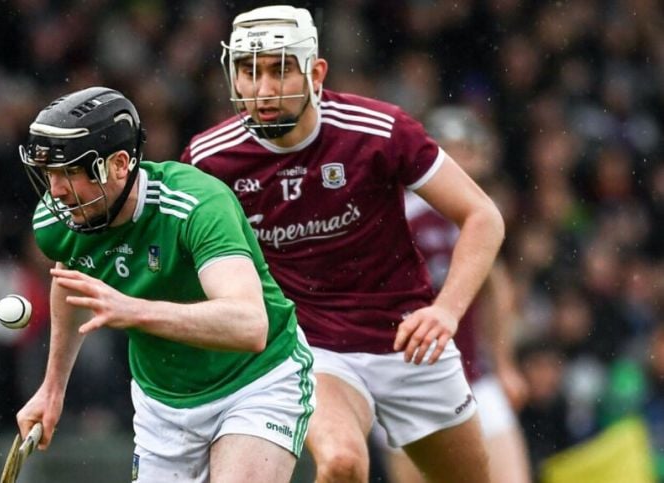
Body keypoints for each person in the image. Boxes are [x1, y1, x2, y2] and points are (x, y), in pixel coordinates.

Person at [181, 6, 504, 483]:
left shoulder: (379, 131)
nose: (263, 90)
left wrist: (447, 311)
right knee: (342, 463)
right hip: (311, 347)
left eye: (279, 69)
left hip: (408, 339)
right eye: (249, 72)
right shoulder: (210, 160)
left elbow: (483, 216)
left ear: (316, 72)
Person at [14, 86, 315, 483]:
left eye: (68, 172)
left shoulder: (197, 205)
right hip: (163, 403)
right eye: (49, 174)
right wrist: (52, 389)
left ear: (119, 164)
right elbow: (71, 284)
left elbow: (249, 324)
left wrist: (133, 309)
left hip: (256, 382)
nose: (55, 191)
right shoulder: (62, 220)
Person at [385, 105, 531, 483]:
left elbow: (495, 289)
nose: (468, 160)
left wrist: (504, 364)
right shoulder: (403, 213)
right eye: (458, 149)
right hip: (412, 378)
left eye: (472, 150)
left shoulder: (478, 214)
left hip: (474, 375)